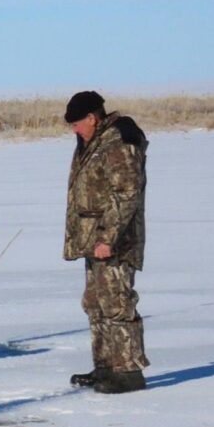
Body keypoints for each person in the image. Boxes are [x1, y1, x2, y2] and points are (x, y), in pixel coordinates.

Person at [63, 91, 150, 394]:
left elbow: (126, 194)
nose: (74, 130)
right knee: (95, 303)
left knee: (117, 303)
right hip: (94, 239)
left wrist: (107, 238)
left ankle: (128, 371)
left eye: (77, 123)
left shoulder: (118, 142)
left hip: (116, 241)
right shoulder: (93, 143)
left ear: (92, 117)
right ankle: (105, 367)